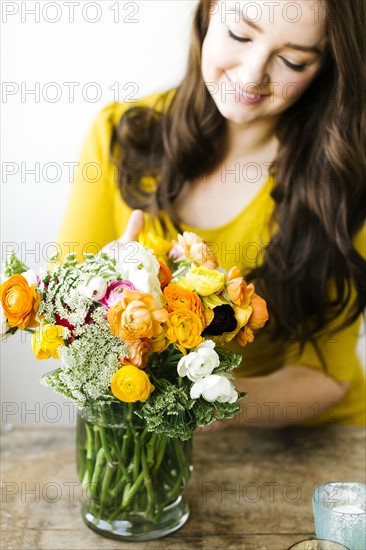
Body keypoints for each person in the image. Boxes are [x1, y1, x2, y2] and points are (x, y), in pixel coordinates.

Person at [57, 0, 366, 427]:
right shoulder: (119, 134)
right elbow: (62, 316)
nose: (252, 75)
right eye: (240, 35)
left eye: (293, 61)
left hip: (314, 441)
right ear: (207, 14)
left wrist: (203, 399)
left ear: (325, 68)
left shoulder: (343, 178)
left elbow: (324, 376)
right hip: (157, 432)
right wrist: (102, 300)